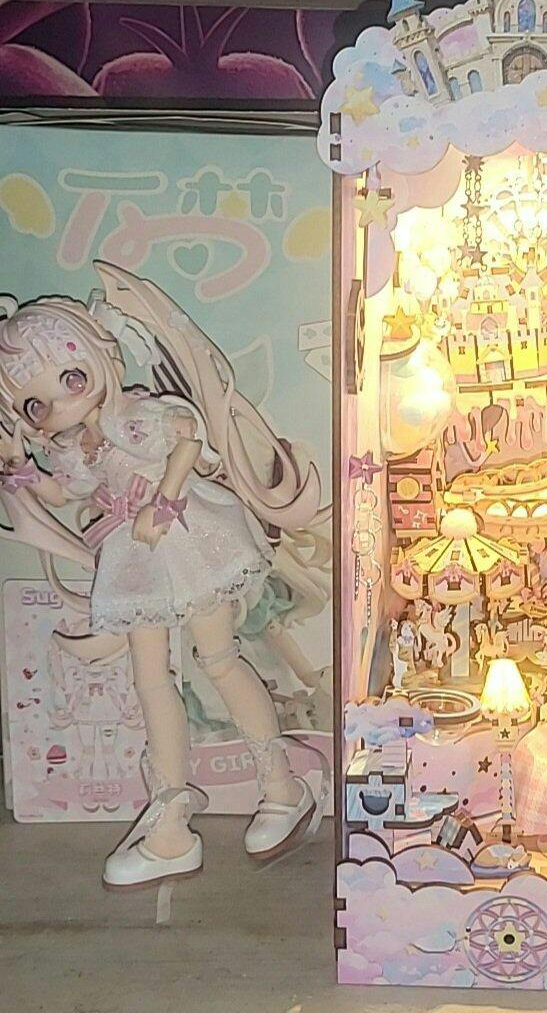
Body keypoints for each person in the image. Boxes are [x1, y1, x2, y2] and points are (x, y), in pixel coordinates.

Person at [0, 262, 327, 887]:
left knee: (219, 659)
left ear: (98, 355)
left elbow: (189, 438)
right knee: (150, 680)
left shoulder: (135, 417)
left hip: (187, 540)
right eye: (38, 404)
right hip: (135, 560)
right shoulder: (77, 447)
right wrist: (23, 475)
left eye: (71, 378)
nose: (61, 405)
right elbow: (69, 490)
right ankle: (172, 819)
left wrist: (167, 499)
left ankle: (282, 788)